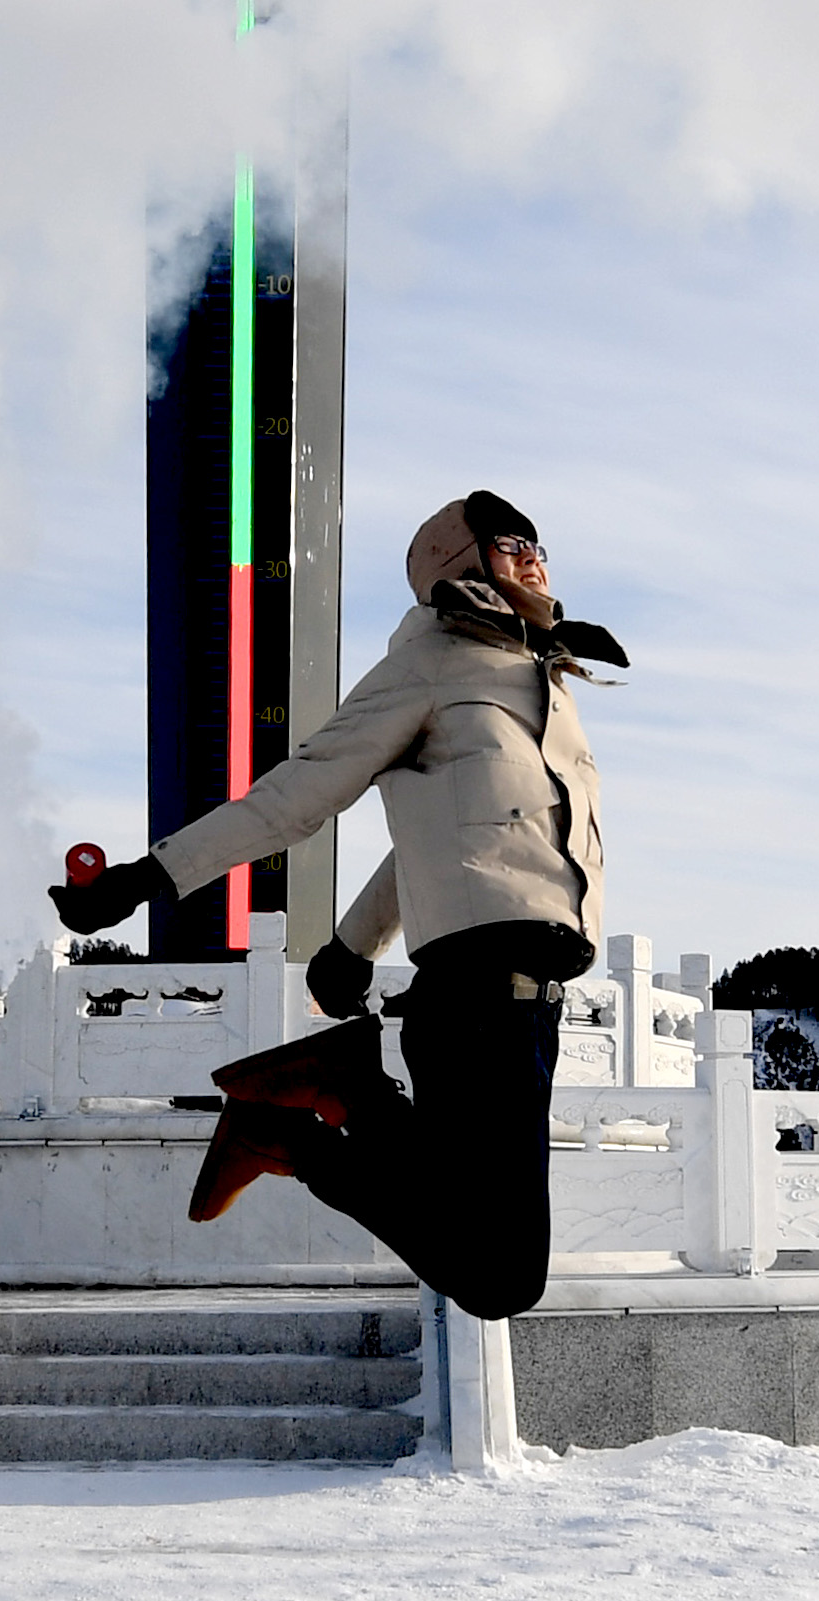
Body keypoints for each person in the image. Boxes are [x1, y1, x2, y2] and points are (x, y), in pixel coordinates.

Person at [51, 489, 627, 1320]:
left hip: (530, 1015)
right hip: (470, 1006)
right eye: (509, 543)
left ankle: (333, 1090)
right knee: (500, 1277)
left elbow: (454, 845)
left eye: (539, 543)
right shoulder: (428, 664)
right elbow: (297, 795)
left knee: (493, 1261)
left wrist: (353, 946)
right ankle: (298, 1128)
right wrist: (149, 876)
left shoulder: (539, 681)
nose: (534, 556)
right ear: (455, 562)